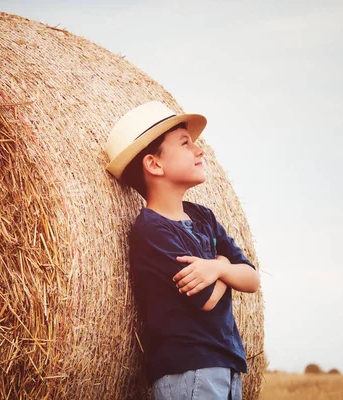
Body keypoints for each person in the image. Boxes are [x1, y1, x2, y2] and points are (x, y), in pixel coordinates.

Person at [104, 101, 260, 400]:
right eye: (186, 143)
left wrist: (219, 267)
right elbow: (205, 298)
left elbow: (251, 279)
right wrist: (227, 265)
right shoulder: (152, 229)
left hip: (225, 366)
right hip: (189, 372)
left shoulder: (204, 217)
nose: (200, 151)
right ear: (154, 164)